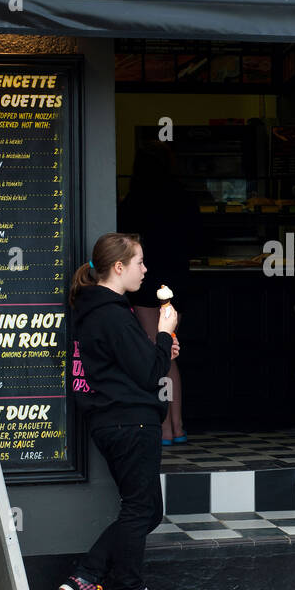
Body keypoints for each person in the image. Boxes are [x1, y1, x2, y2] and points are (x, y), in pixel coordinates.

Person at [59, 232, 186, 590]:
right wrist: (165, 333)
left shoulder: (96, 309)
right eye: (139, 263)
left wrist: (161, 350)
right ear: (118, 267)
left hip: (112, 419)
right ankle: (100, 583)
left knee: (146, 510)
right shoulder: (112, 311)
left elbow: (130, 363)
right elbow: (149, 373)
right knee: (141, 508)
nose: (145, 270)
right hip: (130, 420)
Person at [117, 145, 199, 444]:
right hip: (178, 280)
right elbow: (199, 238)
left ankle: (164, 426)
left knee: (158, 352)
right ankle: (176, 425)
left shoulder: (134, 201)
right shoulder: (182, 196)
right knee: (170, 352)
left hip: (146, 282)